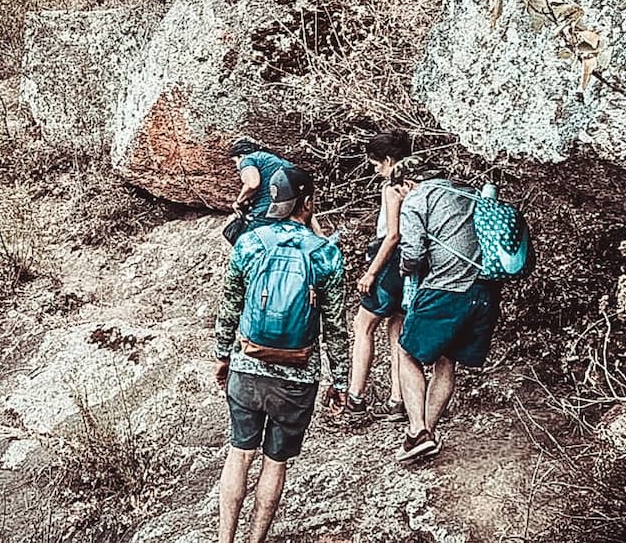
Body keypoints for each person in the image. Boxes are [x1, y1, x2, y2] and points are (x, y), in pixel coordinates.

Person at [214, 166, 348, 543]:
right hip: (298, 375)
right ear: (308, 202)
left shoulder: (250, 243)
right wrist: (339, 381)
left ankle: (225, 540)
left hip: (247, 366)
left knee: (240, 453)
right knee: (275, 461)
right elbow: (335, 326)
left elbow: (230, 306)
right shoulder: (326, 255)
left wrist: (223, 354)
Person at [394, 159, 502, 461]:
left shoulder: (417, 197)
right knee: (447, 360)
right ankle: (425, 433)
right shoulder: (470, 193)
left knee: (408, 353)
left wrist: (404, 270)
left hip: (446, 290)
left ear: (408, 182)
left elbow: (413, 256)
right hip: (485, 292)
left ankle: (417, 429)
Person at [346, 131, 419, 421]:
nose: (376, 170)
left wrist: (370, 273)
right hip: (412, 266)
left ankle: (355, 399)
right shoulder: (419, 184)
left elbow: (392, 236)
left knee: (362, 325)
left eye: (376, 164)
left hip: (390, 264)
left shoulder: (393, 187)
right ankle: (397, 400)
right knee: (396, 331)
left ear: (388, 160)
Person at [229, 138, 294, 230]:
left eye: (235, 161)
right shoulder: (281, 162)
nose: (236, 166)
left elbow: (252, 184)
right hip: (292, 212)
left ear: (240, 155)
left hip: (267, 211)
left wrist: (239, 202)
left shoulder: (247, 159)